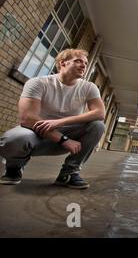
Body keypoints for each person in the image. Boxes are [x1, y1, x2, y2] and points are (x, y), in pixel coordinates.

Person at [0, 49, 106, 189]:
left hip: (69, 138)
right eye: (78, 61)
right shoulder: (38, 82)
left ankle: (68, 173)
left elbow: (100, 113)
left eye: (86, 63)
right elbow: (28, 119)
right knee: (13, 139)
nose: (83, 65)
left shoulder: (89, 87)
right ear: (62, 63)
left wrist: (60, 122)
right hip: (36, 134)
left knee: (98, 126)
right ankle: (14, 168)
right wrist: (63, 139)